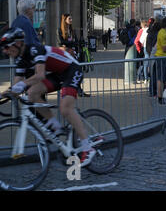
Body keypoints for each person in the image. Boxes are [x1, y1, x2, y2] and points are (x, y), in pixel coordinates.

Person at [0, 28, 96, 167]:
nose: (5, 51)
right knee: (32, 93)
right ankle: (56, 126)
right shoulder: (21, 59)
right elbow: (16, 85)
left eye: (7, 47)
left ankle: (88, 148)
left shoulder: (35, 49)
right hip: (57, 74)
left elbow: (40, 75)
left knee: (65, 109)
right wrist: (5, 94)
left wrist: (21, 85)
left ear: (18, 43)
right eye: (3, 48)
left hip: (71, 69)